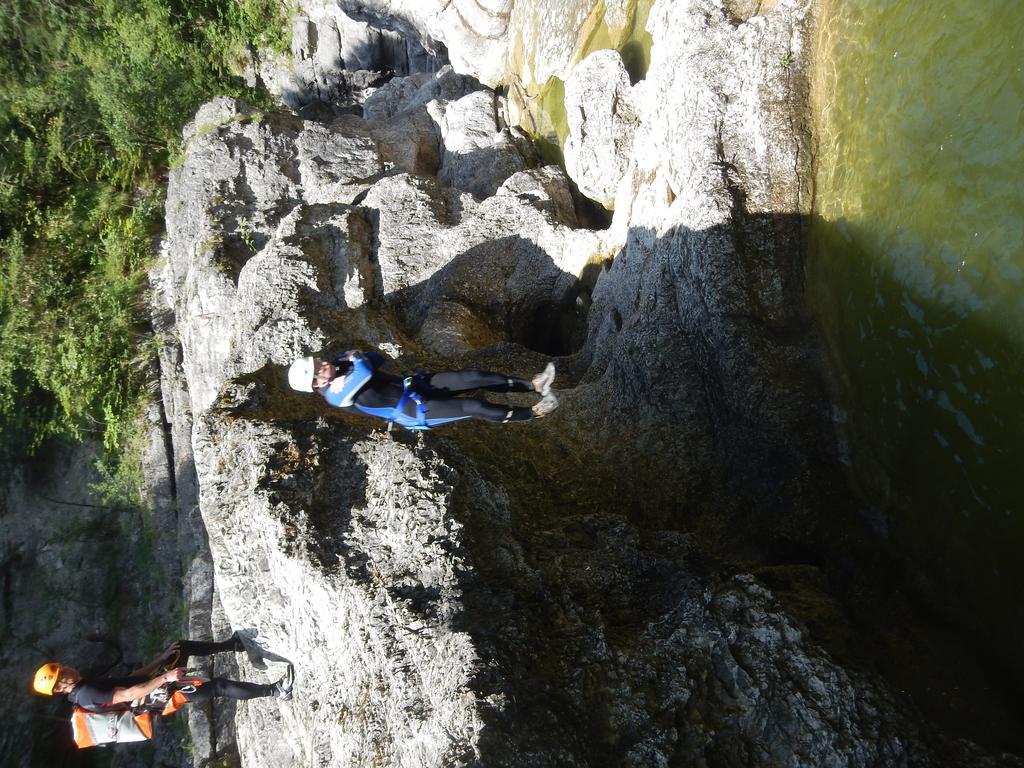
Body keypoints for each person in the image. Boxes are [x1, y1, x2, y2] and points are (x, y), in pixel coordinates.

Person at [288, 350, 559, 429]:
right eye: (318, 368)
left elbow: (376, 357)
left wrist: (355, 358)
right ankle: (534, 412)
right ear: (316, 384)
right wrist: (354, 357)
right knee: (474, 406)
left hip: (414, 384)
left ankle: (533, 384)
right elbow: (366, 370)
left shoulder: (339, 367)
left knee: (474, 377)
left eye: (318, 360)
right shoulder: (336, 396)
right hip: (415, 410)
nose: (323, 362)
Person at [32, 636, 294, 713]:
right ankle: (277, 691)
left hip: (155, 686)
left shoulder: (85, 686)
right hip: (162, 696)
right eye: (60, 674)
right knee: (219, 687)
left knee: (181, 647)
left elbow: (132, 677)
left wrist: (161, 659)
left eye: (61, 668)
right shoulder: (87, 694)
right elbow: (131, 693)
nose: (66, 669)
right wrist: (166, 678)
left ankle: (232, 645)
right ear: (59, 688)